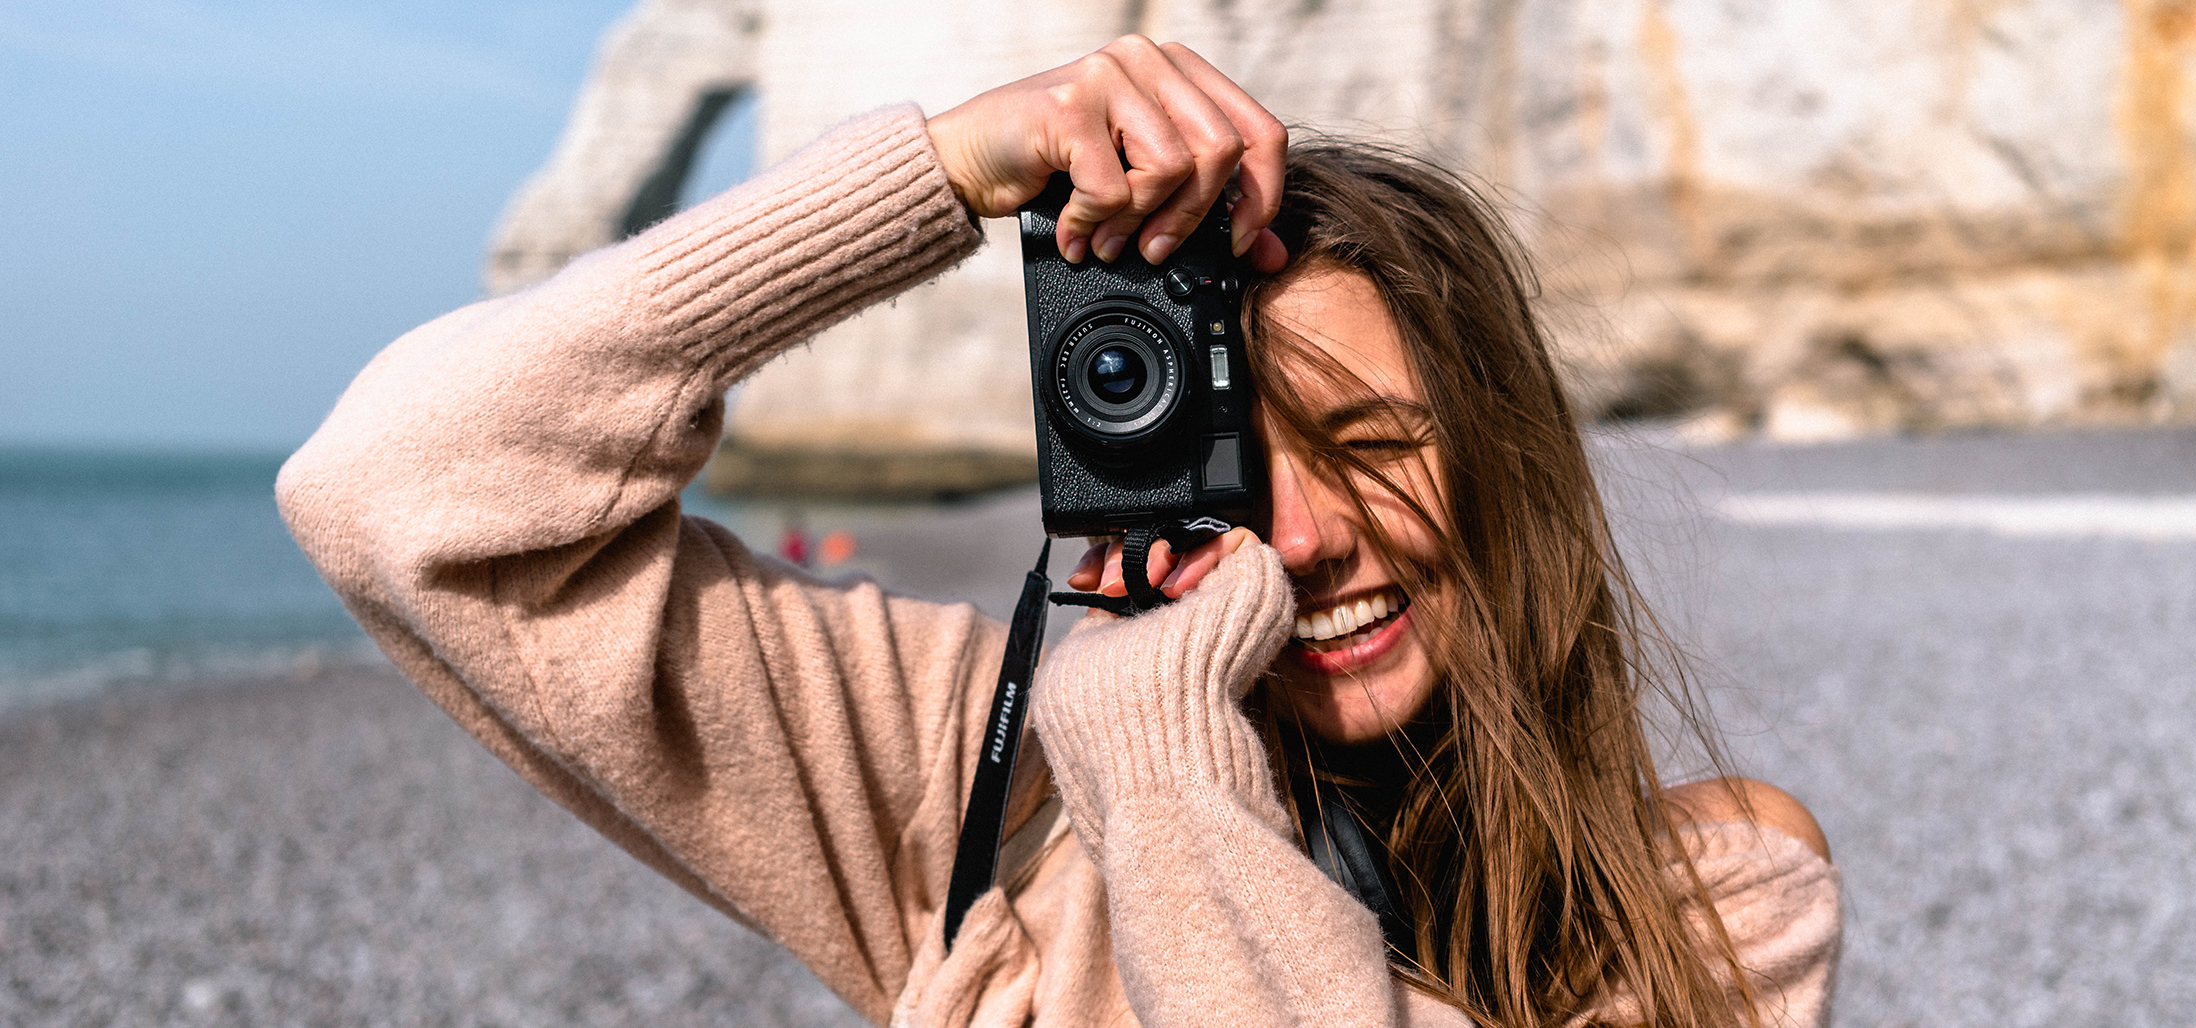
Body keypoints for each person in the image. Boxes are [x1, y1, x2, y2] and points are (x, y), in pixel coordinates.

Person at [280, 36, 1838, 1028]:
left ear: (1507, 461)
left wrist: (1158, 754)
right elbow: (399, 485)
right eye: (1230, 470)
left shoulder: (1710, 908)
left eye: (1374, 447)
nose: (1302, 539)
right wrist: (947, 169)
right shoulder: (986, 773)